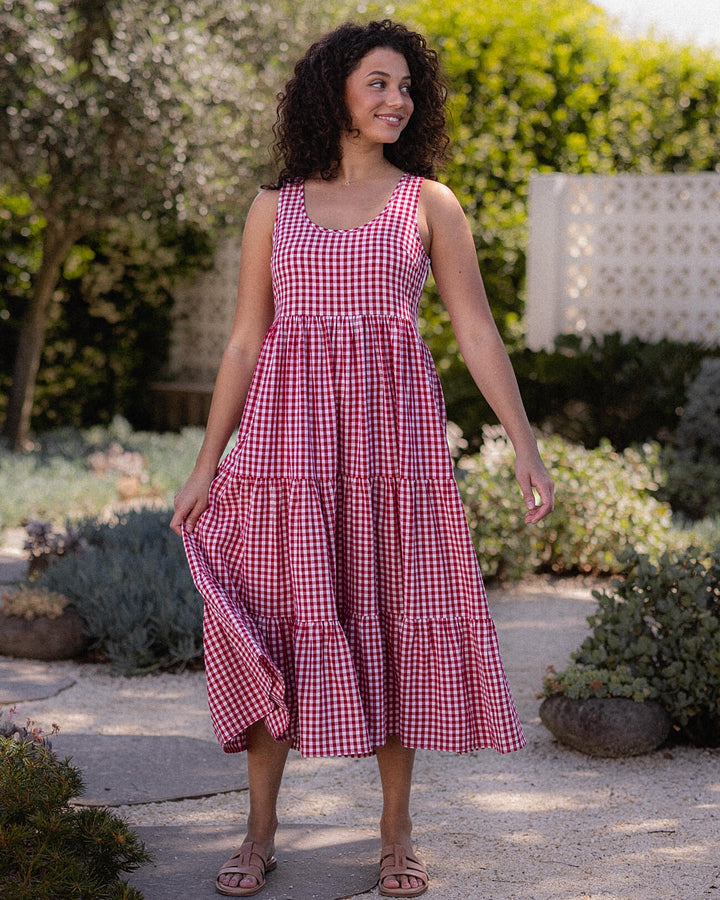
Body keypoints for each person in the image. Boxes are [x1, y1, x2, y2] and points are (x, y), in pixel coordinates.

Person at [170, 18, 554, 898]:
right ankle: (260, 829)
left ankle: (395, 832)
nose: (398, 100)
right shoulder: (275, 206)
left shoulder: (430, 203)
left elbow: (476, 331)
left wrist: (523, 445)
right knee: (275, 619)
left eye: (407, 88)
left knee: (392, 618)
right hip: (285, 448)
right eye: (379, 83)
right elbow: (242, 341)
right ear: (334, 90)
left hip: (393, 452)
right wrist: (205, 463)